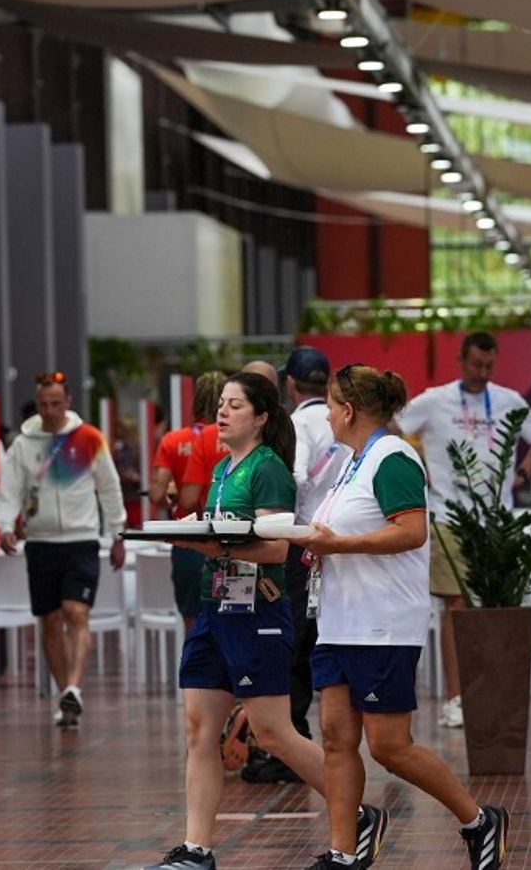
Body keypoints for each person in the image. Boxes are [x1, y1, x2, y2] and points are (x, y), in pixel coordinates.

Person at [148, 372, 384, 870]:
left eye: (235, 405)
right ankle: (197, 850)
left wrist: (204, 542)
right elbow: (227, 536)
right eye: (221, 404)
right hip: (215, 608)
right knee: (199, 729)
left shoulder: (268, 468)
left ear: (260, 417)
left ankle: (356, 813)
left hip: (256, 609)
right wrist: (198, 533)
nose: (223, 412)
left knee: (272, 732)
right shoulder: (221, 469)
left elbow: (277, 546)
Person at [300, 363, 510, 870]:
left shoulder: (394, 458)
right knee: (335, 736)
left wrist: (339, 544)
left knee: (390, 746)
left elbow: (412, 532)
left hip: (383, 624)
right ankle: (342, 852)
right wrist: (320, 548)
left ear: (349, 410)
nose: (326, 415)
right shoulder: (351, 462)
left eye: (330, 405)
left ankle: (479, 820)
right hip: (339, 623)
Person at [396, 331, 531, 728]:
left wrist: (523, 472)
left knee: (498, 606)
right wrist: (418, 463)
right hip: (450, 515)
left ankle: (494, 691)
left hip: (496, 519)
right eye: (476, 365)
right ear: (461, 361)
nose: (482, 373)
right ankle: (456, 698)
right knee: (457, 607)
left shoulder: (508, 400)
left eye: (489, 366)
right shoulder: (434, 401)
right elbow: (395, 429)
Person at [241, 346, 350, 786]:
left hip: (300, 544)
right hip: (339, 545)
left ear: (289, 383)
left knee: (291, 644)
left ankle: (291, 743)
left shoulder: (296, 425)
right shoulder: (340, 425)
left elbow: (296, 476)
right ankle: (315, 739)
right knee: (320, 641)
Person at [0, 371, 125, 727]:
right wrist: (6, 526)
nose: (50, 411)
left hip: (81, 538)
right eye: (43, 405)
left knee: (76, 612)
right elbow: (9, 490)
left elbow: (109, 488)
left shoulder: (89, 438)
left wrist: (118, 534)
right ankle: (64, 694)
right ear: (36, 405)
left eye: (56, 403)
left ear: (68, 401)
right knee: (50, 620)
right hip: (41, 541)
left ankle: (74, 687)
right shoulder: (23, 444)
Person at [150, 370, 227, 632]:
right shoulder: (236, 439)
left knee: (192, 622)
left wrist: (174, 495)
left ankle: (196, 670)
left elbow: (157, 495)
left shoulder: (173, 440)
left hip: (189, 537)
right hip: (231, 536)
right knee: (231, 619)